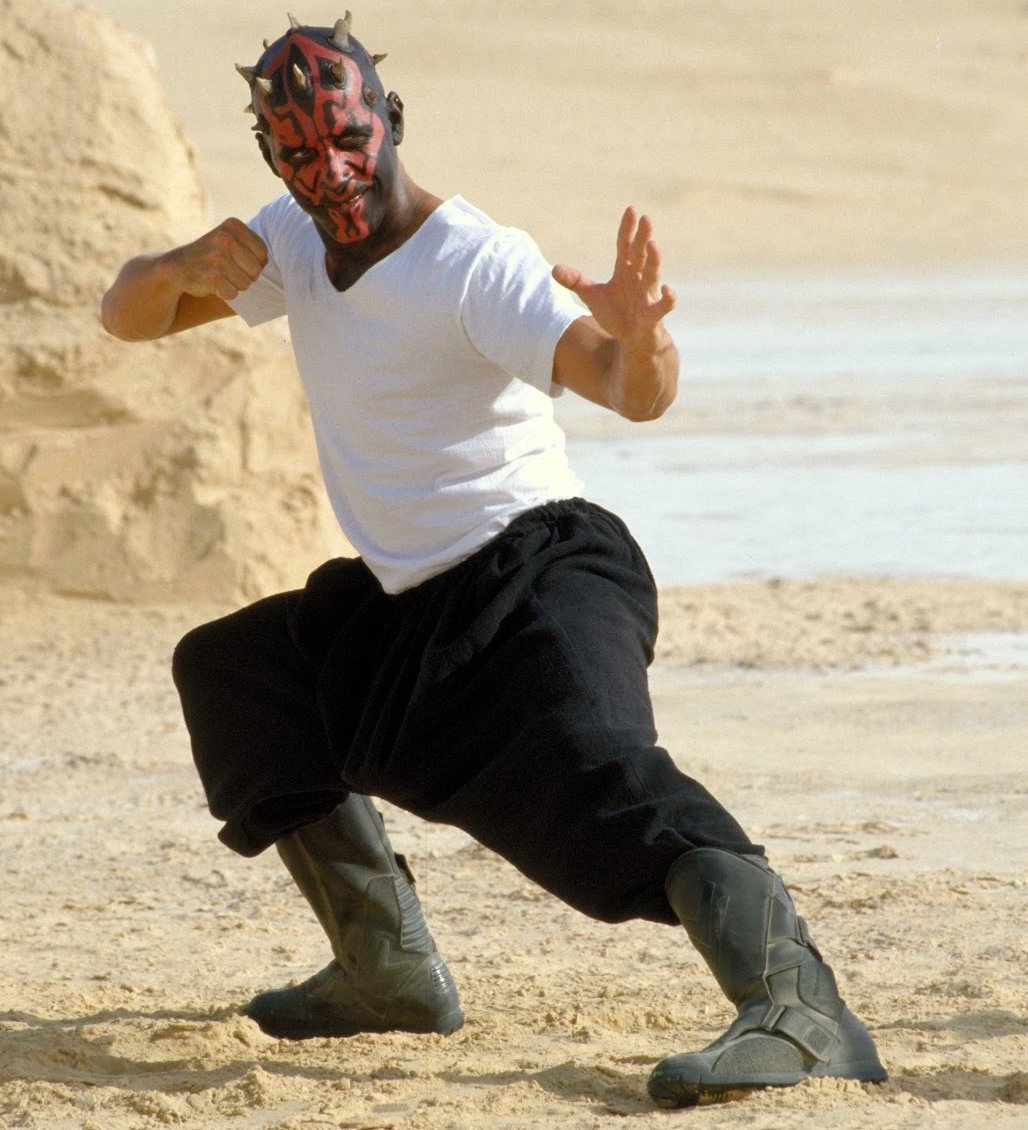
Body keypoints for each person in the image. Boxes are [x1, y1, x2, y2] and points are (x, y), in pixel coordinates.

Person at [100, 12, 887, 1107]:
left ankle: (803, 1008)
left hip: (540, 574)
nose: (333, 170)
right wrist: (180, 264)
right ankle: (388, 970)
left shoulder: (472, 262)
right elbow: (128, 316)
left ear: (389, 119)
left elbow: (627, 388)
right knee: (240, 676)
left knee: (604, 782)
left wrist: (643, 336)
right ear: (272, 156)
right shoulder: (288, 240)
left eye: (349, 138)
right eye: (300, 152)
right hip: (410, 602)